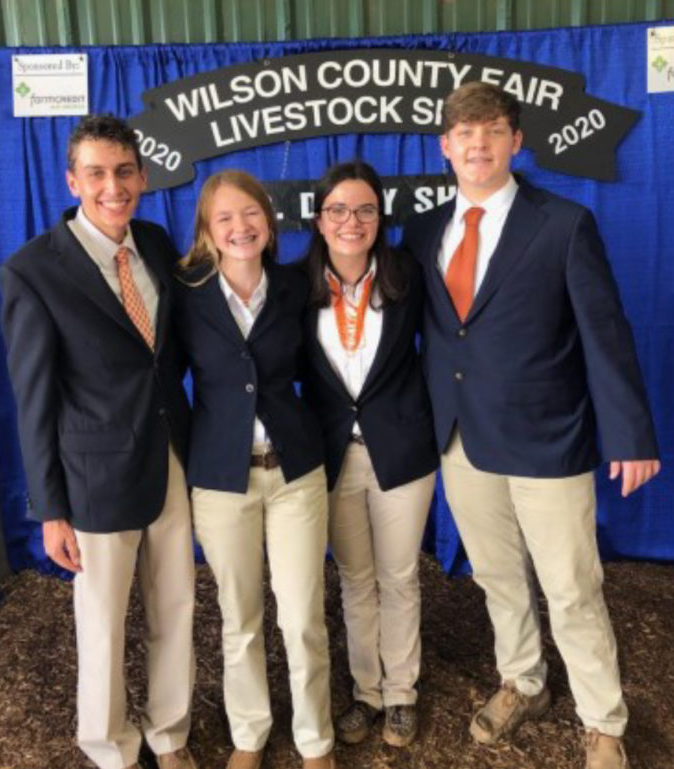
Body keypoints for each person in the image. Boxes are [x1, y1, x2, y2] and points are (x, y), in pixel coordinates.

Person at [401, 81, 660, 769]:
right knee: (496, 575)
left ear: (516, 141)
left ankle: (603, 722)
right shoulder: (424, 231)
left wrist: (630, 434)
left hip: (549, 438)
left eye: (492, 131)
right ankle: (524, 680)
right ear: (445, 147)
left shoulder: (564, 224)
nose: (478, 144)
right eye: (465, 133)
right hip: (462, 438)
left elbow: (605, 334)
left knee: (572, 586)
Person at [0, 115, 196, 769]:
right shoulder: (33, 271)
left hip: (170, 457)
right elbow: (34, 400)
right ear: (72, 181)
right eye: (97, 174)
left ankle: (170, 735)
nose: (113, 187)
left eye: (124, 171)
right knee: (104, 623)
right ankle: (112, 750)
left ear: (142, 176)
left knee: (176, 606)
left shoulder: (157, 244)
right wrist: (51, 509)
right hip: (94, 478)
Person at [173, 170, 336, 769]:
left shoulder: (295, 286)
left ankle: (315, 740)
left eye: (250, 214)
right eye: (224, 218)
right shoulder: (185, 295)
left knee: (302, 615)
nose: (239, 227)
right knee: (239, 617)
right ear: (206, 230)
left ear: (268, 222)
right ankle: (250, 734)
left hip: (294, 475)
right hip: (222, 479)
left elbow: (321, 372)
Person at [297, 161, 438, 748]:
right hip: (333, 454)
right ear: (319, 219)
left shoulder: (408, 275)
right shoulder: (294, 285)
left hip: (401, 449)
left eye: (364, 210)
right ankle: (366, 692)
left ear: (380, 217)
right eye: (338, 210)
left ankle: (401, 693)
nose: (351, 222)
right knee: (354, 578)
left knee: (399, 576)